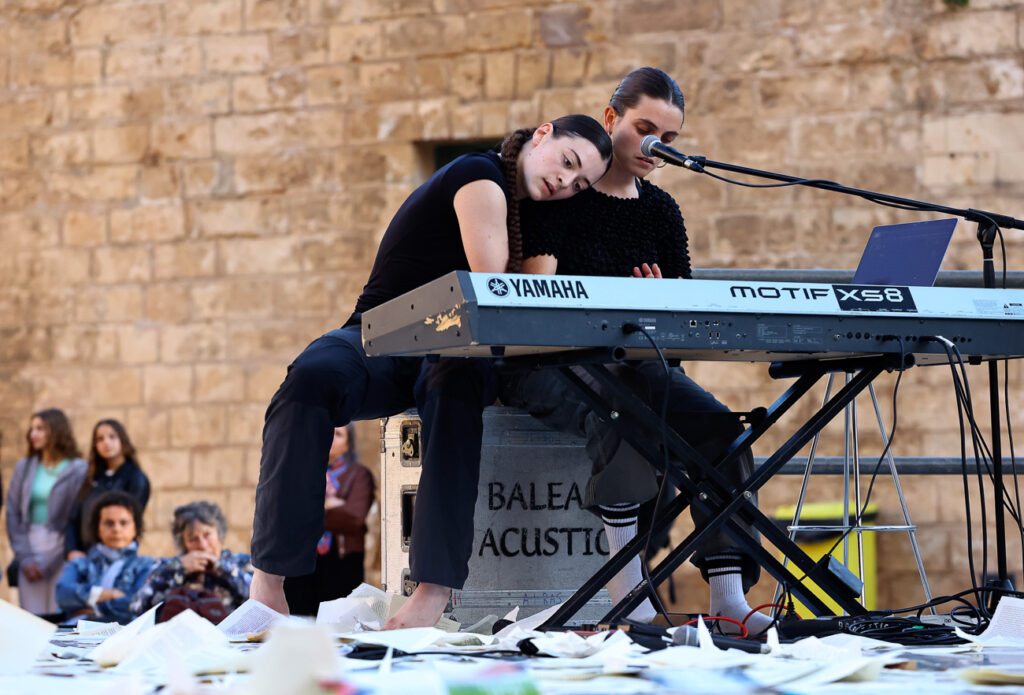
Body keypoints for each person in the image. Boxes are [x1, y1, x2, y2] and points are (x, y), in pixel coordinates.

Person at [249, 115, 613, 615]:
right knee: (313, 376)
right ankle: (270, 582)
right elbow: (493, 285)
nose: (566, 183)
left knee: (455, 379)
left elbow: (522, 313)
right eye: (568, 163)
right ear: (542, 133)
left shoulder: (543, 214)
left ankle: (432, 592)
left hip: (458, 351)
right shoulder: (479, 174)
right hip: (380, 337)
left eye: (581, 184)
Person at [504, 67, 770, 634]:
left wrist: (659, 307)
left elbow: (679, 329)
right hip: (552, 366)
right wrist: (620, 301)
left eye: (668, 140)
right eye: (645, 129)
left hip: (639, 369)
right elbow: (532, 303)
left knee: (722, 431)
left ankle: (727, 597)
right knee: (624, 409)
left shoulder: (662, 211)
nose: (657, 148)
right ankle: (630, 593)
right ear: (610, 120)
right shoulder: (562, 195)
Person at [283, 424, 375, 616]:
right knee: (298, 624)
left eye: (338, 434)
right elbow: (287, 514)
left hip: (341, 563)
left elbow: (354, 518)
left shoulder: (359, 475)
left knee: (337, 626)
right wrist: (329, 504)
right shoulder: (300, 473)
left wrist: (309, 506)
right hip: (302, 562)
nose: (329, 437)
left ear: (348, 445)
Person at [5, 409, 88, 616]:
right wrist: (25, 559)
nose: (33, 434)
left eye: (40, 428)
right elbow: (13, 513)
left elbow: (74, 518)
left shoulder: (78, 469)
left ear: (56, 431)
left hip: (61, 549)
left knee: (60, 616)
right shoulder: (24, 467)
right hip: (29, 547)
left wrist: (51, 562)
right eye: (32, 429)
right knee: (31, 618)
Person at [131, 501, 253, 617]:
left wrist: (221, 568)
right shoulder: (165, 566)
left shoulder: (241, 563)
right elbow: (138, 607)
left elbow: (256, 601)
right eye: (193, 539)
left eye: (207, 535)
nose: (202, 544)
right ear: (183, 543)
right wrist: (179, 568)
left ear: (219, 534)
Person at [55, 491, 153, 624]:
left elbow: (134, 604)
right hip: (78, 636)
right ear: (98, 528)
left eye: (123, 523)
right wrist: (107, 594)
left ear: (135, 528)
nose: (117, 529)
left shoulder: (147, 566)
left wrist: (92, 607)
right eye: (109, 523)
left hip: (125, 637)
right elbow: (62, 594)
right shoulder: (80, 564)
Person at [66, 419, 151, 559]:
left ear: (122, 440)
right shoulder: (90, 478)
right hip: (84, 557)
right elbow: (73, 518)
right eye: (100, 439)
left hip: (117, 557)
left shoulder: (135, 478)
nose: (106, 443)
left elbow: (129, 520)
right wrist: (72, 550)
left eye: (112, 437)